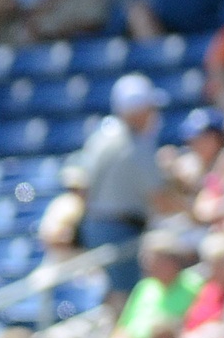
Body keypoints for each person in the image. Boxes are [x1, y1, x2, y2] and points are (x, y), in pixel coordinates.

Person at [72, 75, 175, 254]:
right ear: (136, 111)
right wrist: (195, 215)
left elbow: (80, 188)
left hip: (94, 226)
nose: (153, 115)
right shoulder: (136, 144)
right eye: (149, 109)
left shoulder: (100, 137)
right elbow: (160, 200)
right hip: (123, 229)